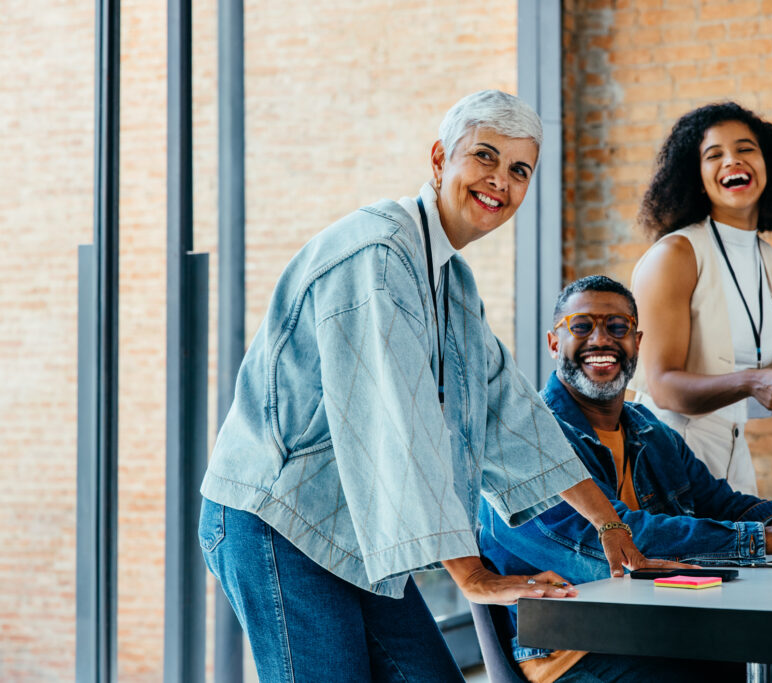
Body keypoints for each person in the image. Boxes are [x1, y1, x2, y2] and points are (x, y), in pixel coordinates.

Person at [198, 91, 666, 682]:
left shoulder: (452, 279)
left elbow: (511, 414)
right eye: (485, 157)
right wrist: (474, 576)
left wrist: (609, 524)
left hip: (355, 527)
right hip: (280, 519)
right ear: (441, 159)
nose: (500, 181)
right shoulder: (378, 256)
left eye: (519, 170)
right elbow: (396, 426)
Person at [478, 276, 772, 683]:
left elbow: (723, 504)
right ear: (554, 343)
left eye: (617, 327)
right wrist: (770, 540)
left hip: (662, 630)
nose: (601, 340)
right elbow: (617, 546)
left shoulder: (649, 431)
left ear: (637, 342)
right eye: (582, 326)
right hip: (577, 654)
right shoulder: (525, 445)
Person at [630, 101, 772, 496]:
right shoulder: (676, 255)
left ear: (769, 164)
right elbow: (663, 387)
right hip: (667, 457)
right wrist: (754, 381)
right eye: (713, 155)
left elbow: (746, 393)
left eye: (745, 149)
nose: (732, 160)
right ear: (697, 176)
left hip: (734, 457)